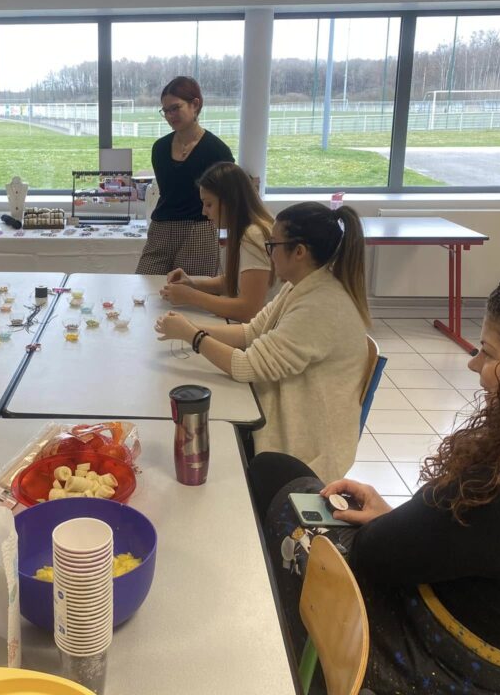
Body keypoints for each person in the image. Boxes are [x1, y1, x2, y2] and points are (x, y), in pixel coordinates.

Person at [249, 273, 500, 694]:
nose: (473, 365)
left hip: (425, 669)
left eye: (487, 353)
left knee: (277, 476)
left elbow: (375, 556)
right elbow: (484, 554)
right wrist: (394, 516)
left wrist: (393, 523)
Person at [155, 202, 369, 481]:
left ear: (299, 252)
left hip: (307, 447)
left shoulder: (321, 305)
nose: (270, 254)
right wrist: (187, 328)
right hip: (290, 411)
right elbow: (251, 332)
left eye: (273, 246)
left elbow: (247, 367)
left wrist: (193, 336)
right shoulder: (299, 286)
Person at [135, 76, 235, 277]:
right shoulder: (160, 148)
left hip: (199, 229)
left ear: (195, 104)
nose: (170, 115)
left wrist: (224, 231)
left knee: (190, 292)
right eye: (165, 111)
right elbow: (168, 192)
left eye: (175, 108)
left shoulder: (217, 150)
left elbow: (228, 197)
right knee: (144, 285)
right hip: (161, 228)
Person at [160, 161, 275, 322]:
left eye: (209, 204)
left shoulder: (254, 235)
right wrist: (192, 284)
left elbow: (249, 310)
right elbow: (237, 280)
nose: (204, 212)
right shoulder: (245, 231)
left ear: (230, 201)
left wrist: (191, 296)